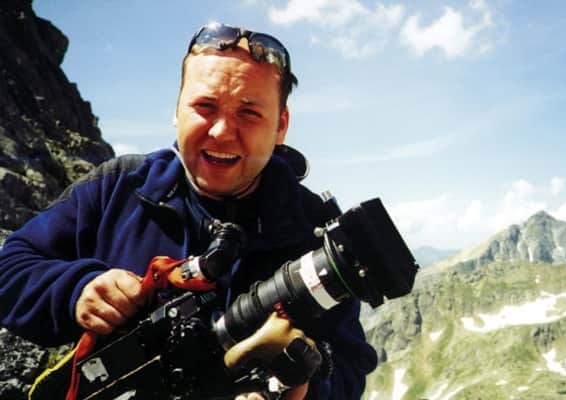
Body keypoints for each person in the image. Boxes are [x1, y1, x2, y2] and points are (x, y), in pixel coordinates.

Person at [0, 22, 377, 399]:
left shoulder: (315, 233)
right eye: (205, 106)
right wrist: (76, 290)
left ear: (281, 126)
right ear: (177, 111)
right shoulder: (118, 187)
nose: (222, 132)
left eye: (249, 113)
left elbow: (350, 367)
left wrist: (300, 388)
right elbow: (10, 269)